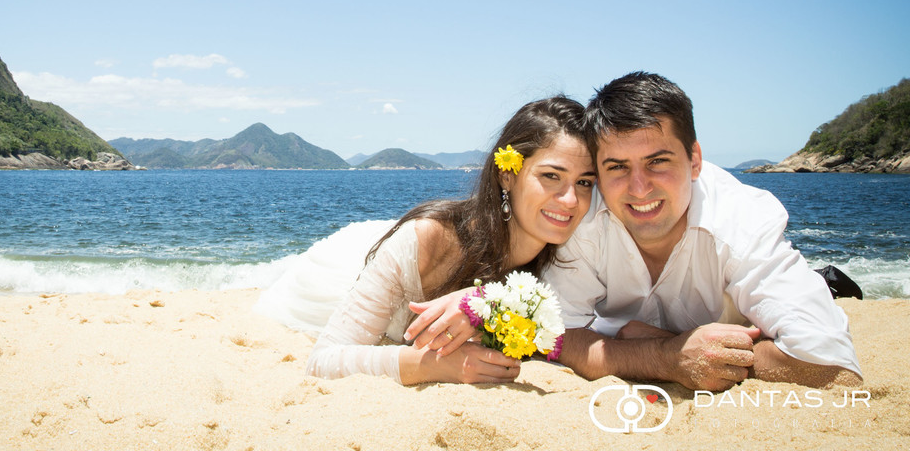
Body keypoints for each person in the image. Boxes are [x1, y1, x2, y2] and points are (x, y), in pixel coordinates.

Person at [546, 72, 863, 391]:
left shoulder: (739, 220)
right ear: (598, 174)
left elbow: (832, 367)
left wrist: (678, 349)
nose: (639, 188)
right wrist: (666, 357)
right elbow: (556, 334)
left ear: (694, 160)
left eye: (658, 161)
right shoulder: (582, 216)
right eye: (617, 166)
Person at [296, 96, 597, 385]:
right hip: (344, 272)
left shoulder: (571, 259)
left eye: (584, 182)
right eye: (551, 176)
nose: (571, 200)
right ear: (506, 174)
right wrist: (432, 364)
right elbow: (321, 362)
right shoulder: (428, 242)